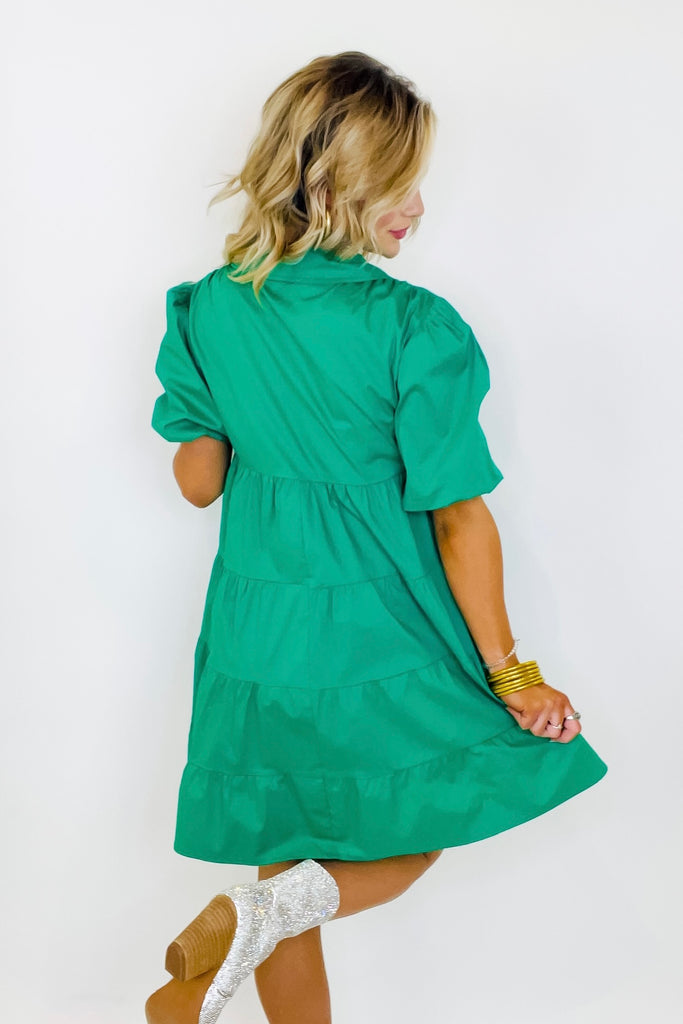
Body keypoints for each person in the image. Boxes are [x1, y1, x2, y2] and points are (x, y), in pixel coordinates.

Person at [145, 50, 608, 1024]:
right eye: (402, 185)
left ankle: (246, 930)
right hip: (378, 626)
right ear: (337, 184)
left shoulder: (211, 306)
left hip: (258, 632)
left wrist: (239, 417)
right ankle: (255, 917)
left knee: (286, 846)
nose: (418, 209)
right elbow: (456, 512)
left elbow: (197, 483)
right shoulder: (414, 328)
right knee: (425, 818)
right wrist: (511, 675)